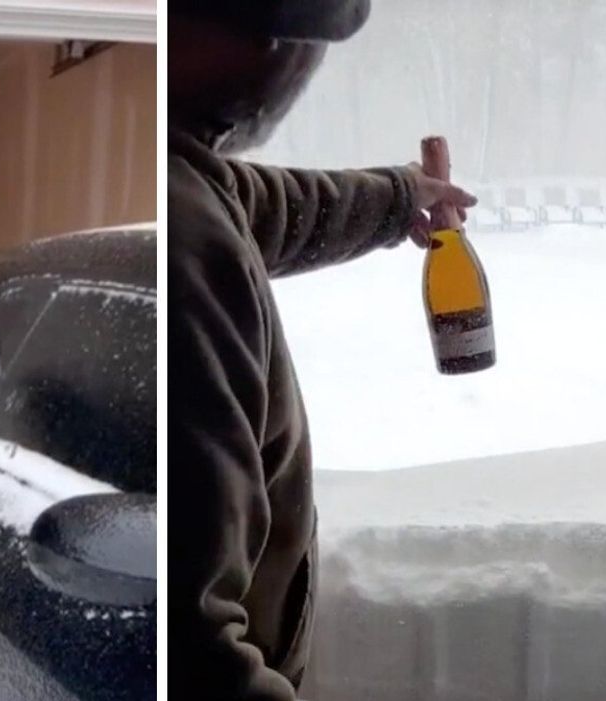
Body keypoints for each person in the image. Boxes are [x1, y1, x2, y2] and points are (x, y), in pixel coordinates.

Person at [168, 2, 478, 698]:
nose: (308, 71)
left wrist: (400, 198)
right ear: (267, 43)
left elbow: (254, 204)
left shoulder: (187, 181)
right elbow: (194, 652)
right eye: (314, 46)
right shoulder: (185, 252)